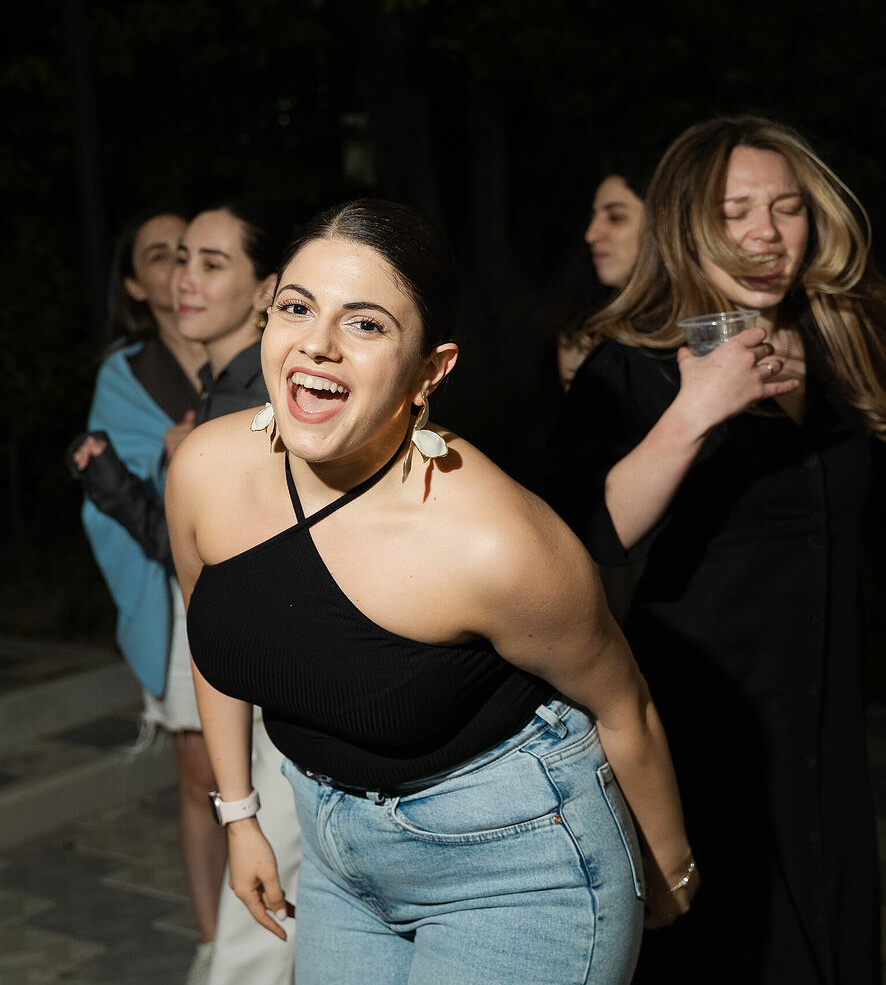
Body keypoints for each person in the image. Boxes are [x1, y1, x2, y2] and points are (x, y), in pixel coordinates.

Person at [166, 198, 698, 985]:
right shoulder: (203, 472)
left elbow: (626, 707)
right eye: (298, 307)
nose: (317, 343)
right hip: (336, 853)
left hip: (519, 862)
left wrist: (671, 868)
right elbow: (213, 637)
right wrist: (240, 816)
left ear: (431, 371)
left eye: (366, 323)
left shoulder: (495, 541)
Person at [545, 115, 886, 983]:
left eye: (787, 208)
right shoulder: (632, 365)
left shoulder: (844, 339)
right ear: (687, 223)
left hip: (831, 734)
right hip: (706, 741)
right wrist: (694, 412)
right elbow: (583, 539)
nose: (766, 233)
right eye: (736, 211)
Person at [72, 202, 301, 985]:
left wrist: (140, 477)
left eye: (209, 261)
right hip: (254, 655)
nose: (184, 279)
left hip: (285, 674)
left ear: (265, 288)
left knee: (265, 918)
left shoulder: (255, 399)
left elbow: (207, 555)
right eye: (176, 260)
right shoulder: (222, 389)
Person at [68, 208, 221, 981]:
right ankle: (212, 940)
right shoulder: (125, 376)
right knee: (201, 775)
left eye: (192, 252)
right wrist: (172, 463)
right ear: (134, 284)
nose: (180, 269)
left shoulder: (251, 354)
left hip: (257, 583)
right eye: (161, 255)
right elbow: (110, 502)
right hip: (175, 593)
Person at [556, 160, 651, 391]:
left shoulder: (705, 319)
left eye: (616, 217)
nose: (591, 235)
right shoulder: (581, 329)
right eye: (593, 217)